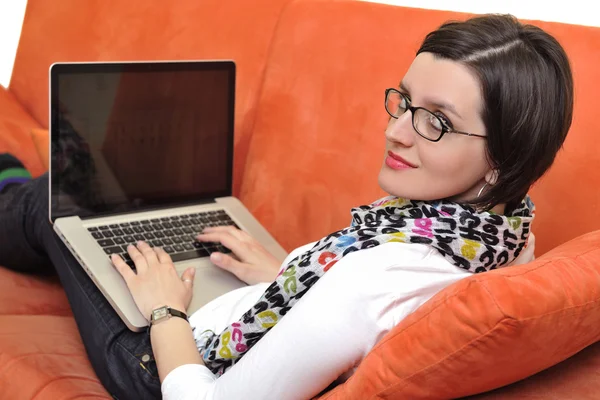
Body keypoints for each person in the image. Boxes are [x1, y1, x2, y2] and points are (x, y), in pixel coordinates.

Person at [0, 13, 572, 400]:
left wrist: (164, 311)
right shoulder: (499, 231)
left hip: (169, 365)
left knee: (62, 208)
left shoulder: (369, 285)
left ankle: (11, 184)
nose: (398, 132)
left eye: (436, 122)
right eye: (404, 100)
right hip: (243, 314)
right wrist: (288, 270)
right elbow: (358, 307)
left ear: (502, 159)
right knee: (79, 190)